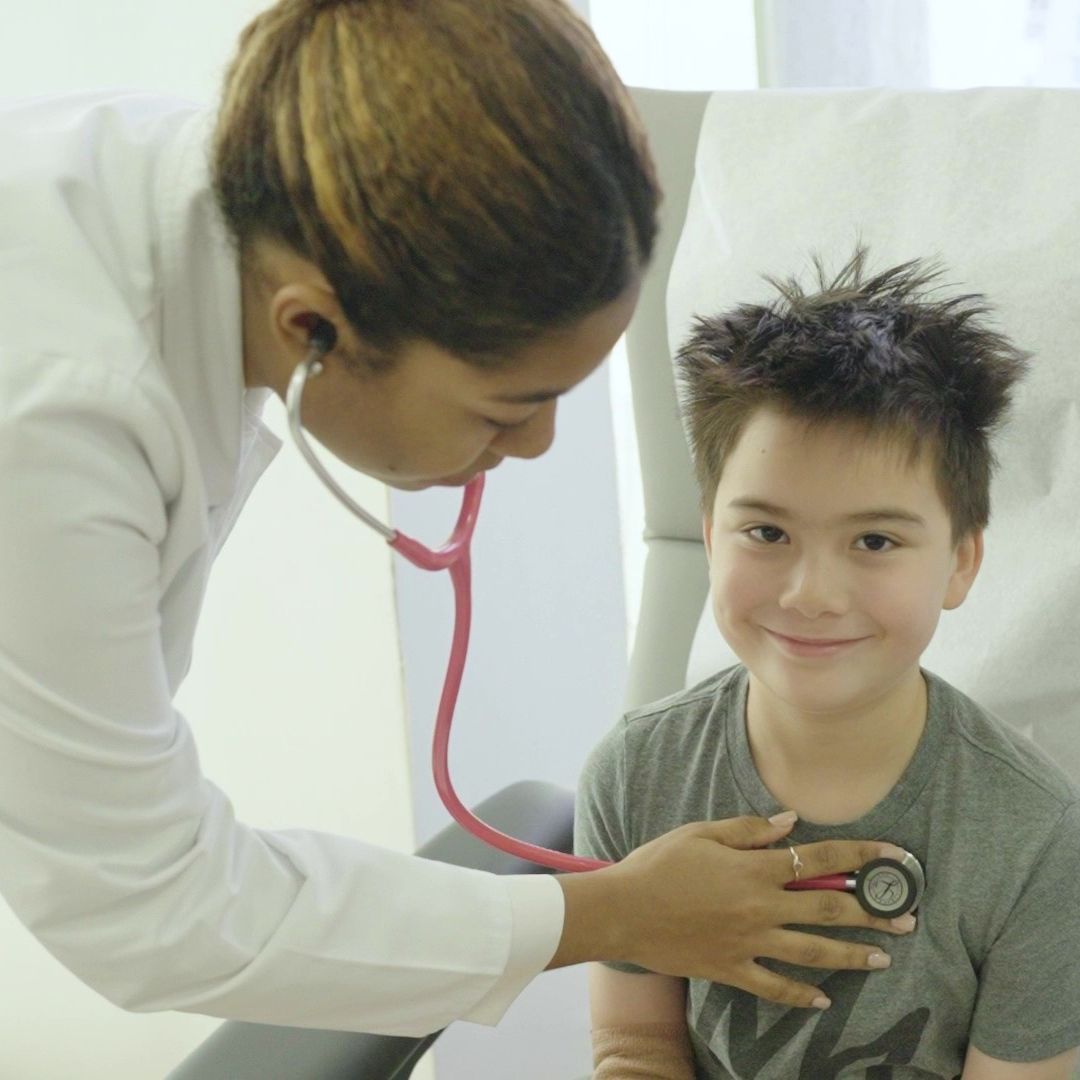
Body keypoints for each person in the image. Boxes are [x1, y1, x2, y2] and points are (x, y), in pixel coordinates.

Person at [0, 0, 909, 1041]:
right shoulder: (50, 417)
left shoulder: (241, 199)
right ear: (312, 330)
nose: (536, 447)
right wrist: (616, 913)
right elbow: (150, 904)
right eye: (506, 406)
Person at [576, 250, 1080, 1078]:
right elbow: (633, 1045)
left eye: (875, 541)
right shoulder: (636, 777)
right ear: (709, 536)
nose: (812, 594)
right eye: (767, 533)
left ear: (959, 562)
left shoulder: (1033, 842)